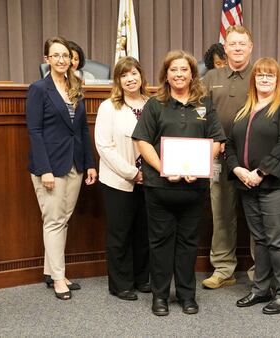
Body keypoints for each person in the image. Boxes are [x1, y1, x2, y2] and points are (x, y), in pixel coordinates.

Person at [132, 50, 225, 316]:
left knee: (188, 243)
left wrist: (199, 166)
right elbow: (142, 142)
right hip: (160, 188)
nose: (179, 74)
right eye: (174, 70)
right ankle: (159, 297)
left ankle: (187, 296)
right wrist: (163, 168)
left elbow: (217, 141)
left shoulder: (205, 103)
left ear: (192, 74)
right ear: (166, 74)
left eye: (184, 70)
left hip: (194, 189)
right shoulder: (155, 104)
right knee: (160, 243)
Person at [227, 58, 280, 315]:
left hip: (277, 185)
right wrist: (238, 170)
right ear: (254, 79)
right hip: (247, 184)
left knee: (277, 240)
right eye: (260, 75)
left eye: (270, 75)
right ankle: (260, 289)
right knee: (259, 239)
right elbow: (230, 146)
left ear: (277, 79)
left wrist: (260, 172)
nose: (265, 79)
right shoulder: (243, 110)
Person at [26, 36, 97, 300]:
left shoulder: (76, 86)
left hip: (75, 164)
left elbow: (81, 129)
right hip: (50, 166)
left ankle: (52, 271)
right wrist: (44, 169)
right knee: (54, 221)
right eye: (55, 55)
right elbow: (34, 131)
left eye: (65, 55)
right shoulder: (38, 89)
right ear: (47, 59)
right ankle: (58, 278)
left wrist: (89, 163)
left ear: (71, 60)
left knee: (62, 220)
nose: (61, 60)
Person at [202, 25, 254, 289]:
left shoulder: (260, 74)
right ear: (225, 47)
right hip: (218, 156)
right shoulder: (211, 77)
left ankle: (261, 270)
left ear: (250, 47)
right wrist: (217, 140)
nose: (237, 48)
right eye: (232, 44)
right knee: (220, 212)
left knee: (258, 214)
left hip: (252, 157)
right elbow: (203, 114)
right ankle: (223, 269)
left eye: (241, 44)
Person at [94, 56, 150, 301]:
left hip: (150, 180)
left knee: (144, 231)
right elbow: (104, 147)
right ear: (118, 80)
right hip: (119, 180)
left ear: (141, 76)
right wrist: (133, 173)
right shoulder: (109, 107)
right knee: (120, 234)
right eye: (124, 75)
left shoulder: (152, 104)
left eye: (134, 73)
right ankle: (121, 284)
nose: (130, 79)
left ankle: (141, 278)